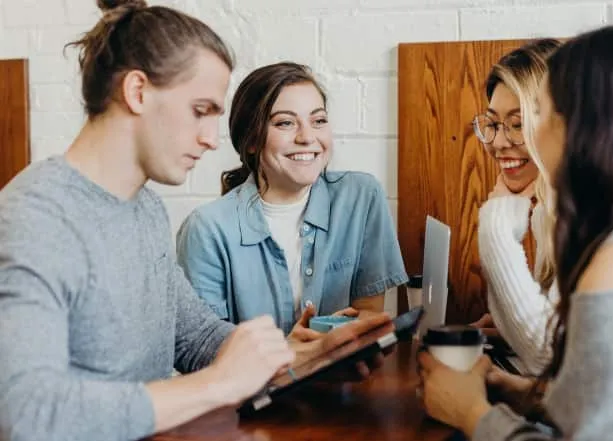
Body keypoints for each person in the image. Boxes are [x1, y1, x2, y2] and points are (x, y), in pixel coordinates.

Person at [0, 2, 390, 441]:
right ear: (138, 92)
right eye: (199, 110)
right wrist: (219, 383)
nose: (209, 138)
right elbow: (26, 413)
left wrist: (299, 359)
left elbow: (195, 338)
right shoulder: (33, 218)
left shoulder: (143, 208)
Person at [419, 23, 613, 440]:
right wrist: (522, 393)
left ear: (587, 126)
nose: (515, 138)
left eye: (542, 113)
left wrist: (472, 414)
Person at [176, 61, 408, 336]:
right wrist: (293, 357)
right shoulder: (206, 229)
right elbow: (204, 348)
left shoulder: (361, 197)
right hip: (256, 380)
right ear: (251, 140)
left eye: (318, 120)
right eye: (285, 123)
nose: (307, 137)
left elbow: (368, 318)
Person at [471, 39, 561, 375]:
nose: (497, 142)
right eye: (493, 124)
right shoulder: (547, 212)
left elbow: (547, 357)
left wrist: (496, 224)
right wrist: (510, 329)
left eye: (518, 123)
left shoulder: (590, 215)